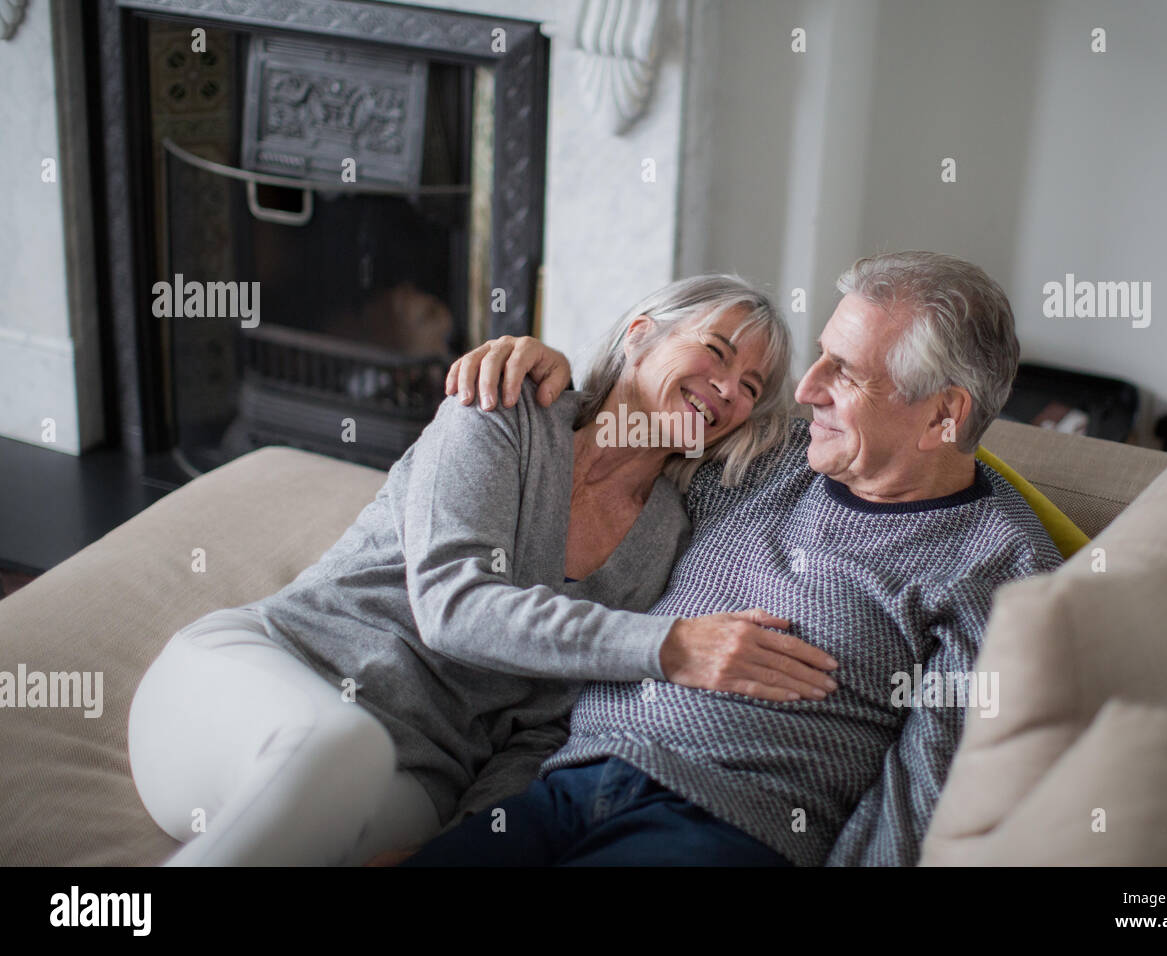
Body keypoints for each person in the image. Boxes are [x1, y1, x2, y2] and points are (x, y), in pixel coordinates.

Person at [126, 274, 822, 866]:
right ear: (641, 333)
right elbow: (452, 605)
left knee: (368, 782)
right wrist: (667, 647)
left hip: (404, 784)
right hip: (249, 693)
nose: (726, 388)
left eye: (749, 387)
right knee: (341, 744)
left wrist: (476, 835)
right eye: (715, 351)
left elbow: (543, 726)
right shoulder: (507, 406)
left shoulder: (666, 536)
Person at [401, 251, 1064, 867]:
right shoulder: (770, 460)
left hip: (725, 825)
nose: (806, 389)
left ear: (944, 416)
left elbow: (928, 784)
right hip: (562, 781)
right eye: (820, 357)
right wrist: (539, 363)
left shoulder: (997, 565)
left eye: (847, 372)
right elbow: (645, 416)